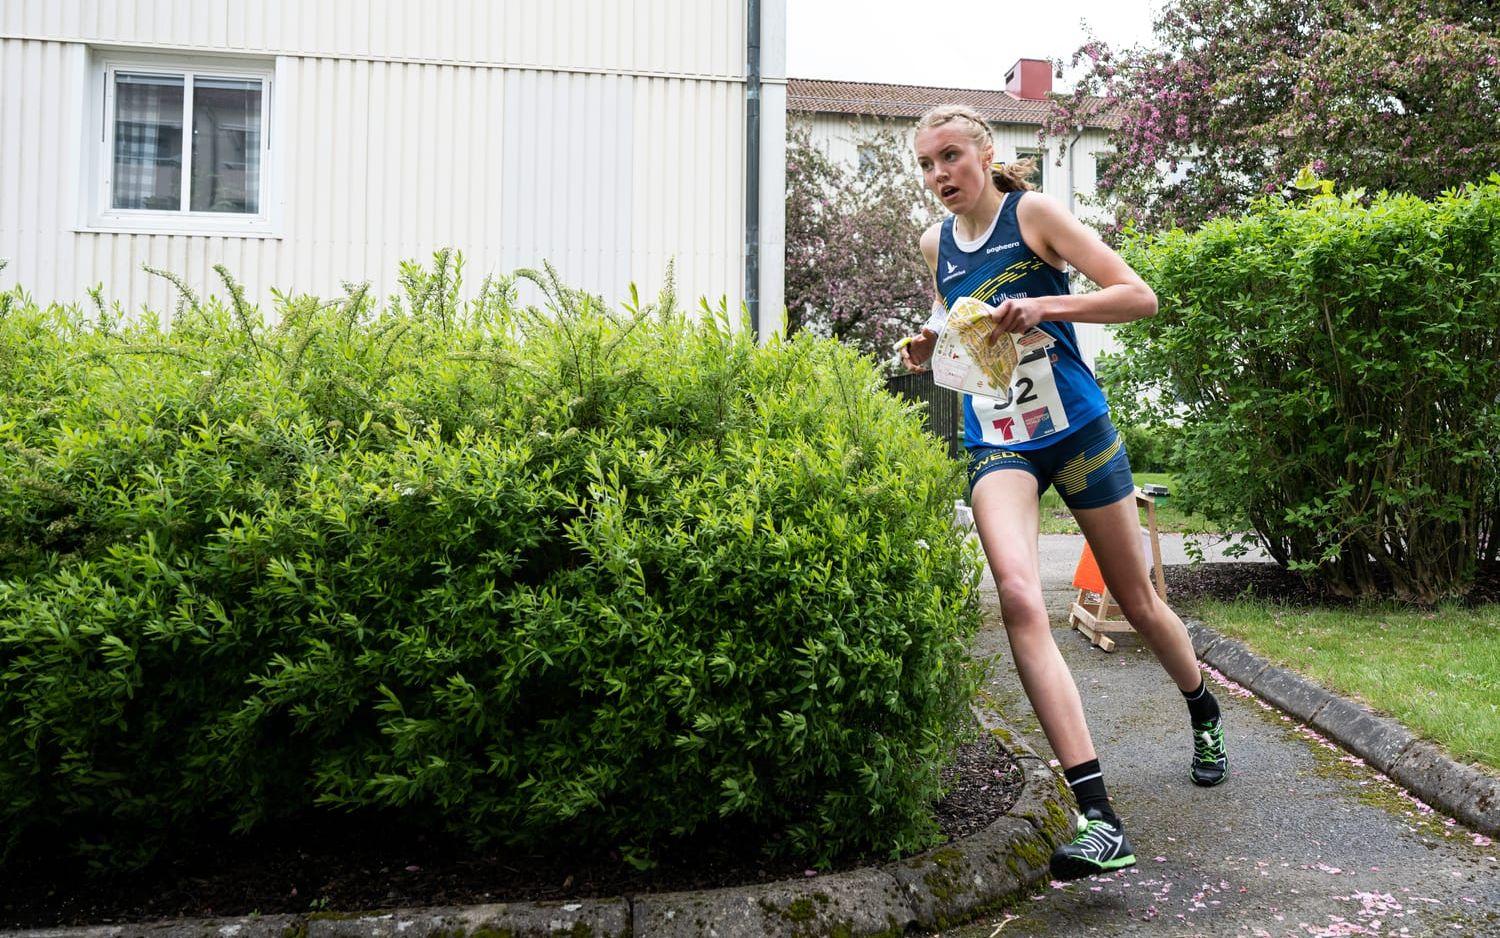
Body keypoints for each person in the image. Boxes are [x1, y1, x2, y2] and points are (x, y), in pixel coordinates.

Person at [899, 104, 1228, 882]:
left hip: (1075, 427)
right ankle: (1100, 817)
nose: (939, 175)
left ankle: (1203, 709)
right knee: (1017, 593)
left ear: (984, 152)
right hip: (997, 437)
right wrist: (928, 347)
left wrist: (1049, 304)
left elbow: (1137, 295)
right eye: (925, 165)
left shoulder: (1034, 214)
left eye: (950, 156)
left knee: (1139, 602)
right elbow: (964, 336)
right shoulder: (933, 245)